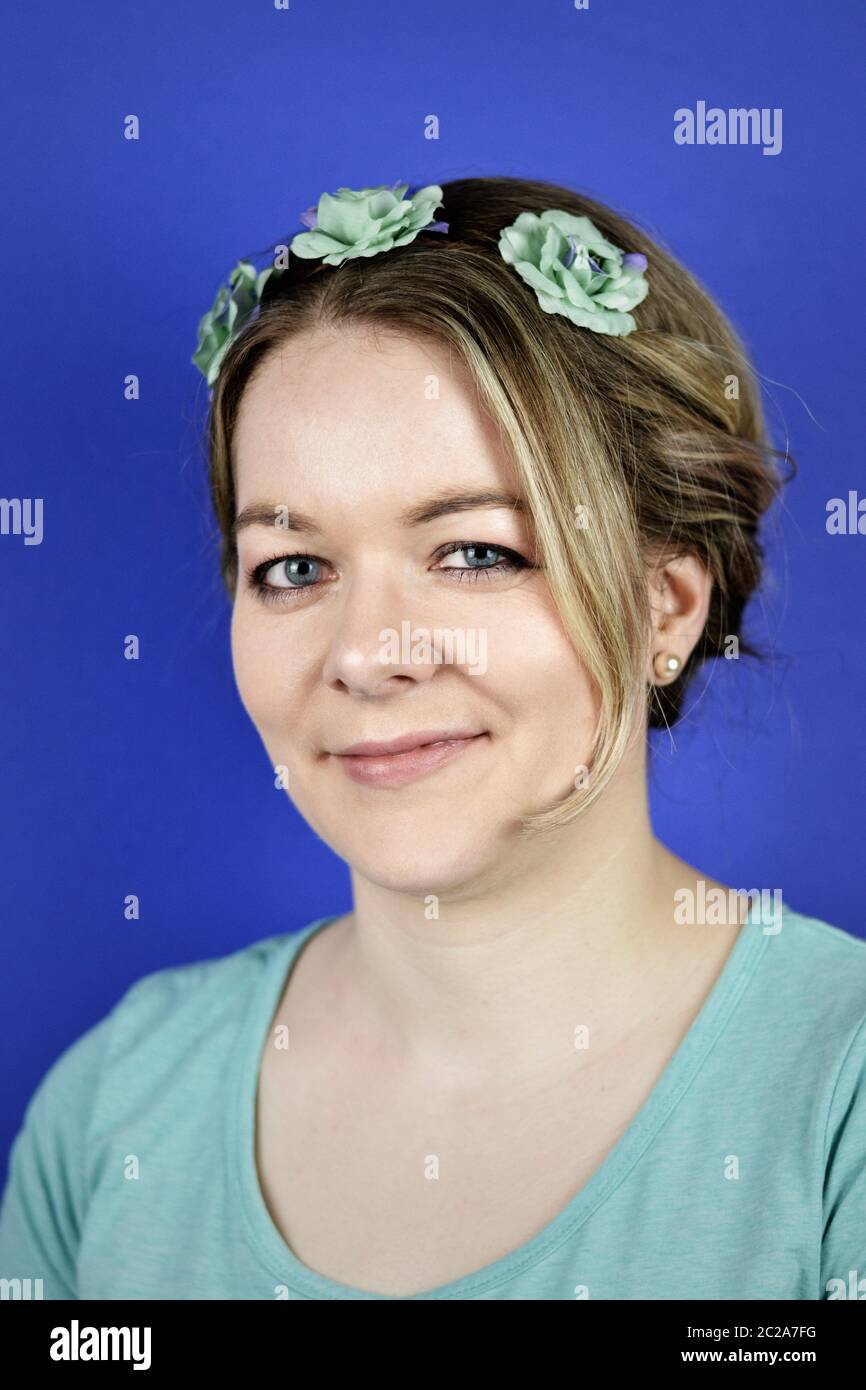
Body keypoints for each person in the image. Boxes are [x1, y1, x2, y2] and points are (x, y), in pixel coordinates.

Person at [1, 176, 864, 1301]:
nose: (366, 653)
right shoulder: (114, 1099)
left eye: (474, 552)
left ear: (665, 604)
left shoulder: (836, 1094)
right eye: (293, 567)